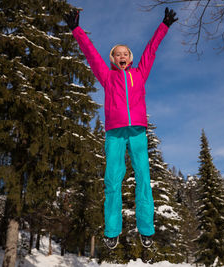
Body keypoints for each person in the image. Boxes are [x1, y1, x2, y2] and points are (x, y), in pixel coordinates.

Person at [63, 7, 178, 249]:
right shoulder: (107, 76)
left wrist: (164, 26)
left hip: (137, 131)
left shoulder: (140, 73)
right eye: (117, 54)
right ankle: (112, 230)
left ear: (131, 58)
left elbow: (151, 49)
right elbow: (91, 54)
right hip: (114, 133)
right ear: (113, 60)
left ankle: (146, 230)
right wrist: (76, 29)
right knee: (113, 181)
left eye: (125, 53)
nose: (122, 55)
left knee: (144, 179)